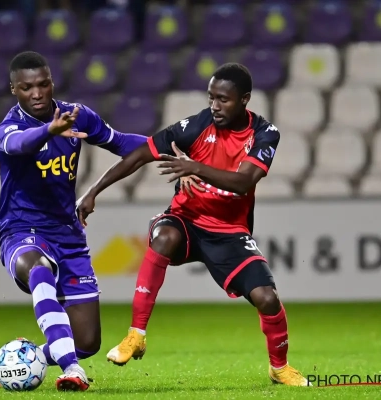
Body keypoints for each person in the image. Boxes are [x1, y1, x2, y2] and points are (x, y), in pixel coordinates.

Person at [77, 63, 310, 387]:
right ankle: (136, 335)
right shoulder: (196, 126)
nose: (215, 105)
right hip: (186, 220)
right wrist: (93, 191)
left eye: (223, 99)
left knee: (267, 298)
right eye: (211, 97)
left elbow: (244, 181)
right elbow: (141, 154)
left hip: (229, 232)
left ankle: (279, 368)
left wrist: (195, 167)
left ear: (244, 99)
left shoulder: (264, 134)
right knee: (163, 237)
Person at [0, 51, 148, 391]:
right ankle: (72, 370)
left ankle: (28, 357)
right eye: (27, 88)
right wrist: (50, 130)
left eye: (43, 84)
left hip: (67, 234)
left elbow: (121, 143)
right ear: (14, 89)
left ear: (52, 82)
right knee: (39, 269)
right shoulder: (9, 128)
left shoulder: (77, 116)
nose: (37, 93)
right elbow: (19, 145)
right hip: (21, 230)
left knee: (88, 341)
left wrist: (166, 145)